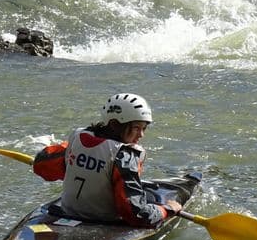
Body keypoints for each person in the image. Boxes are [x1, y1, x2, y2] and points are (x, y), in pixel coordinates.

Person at [33, 93, 182, 227]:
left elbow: (40, 166)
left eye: (144, 128)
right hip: (104, 222)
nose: (141, 135)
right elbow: (136, 214)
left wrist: (73, 165)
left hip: (66, 212)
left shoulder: (77, 138)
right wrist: (165, 210)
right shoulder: (124, 156)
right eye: (136, 128)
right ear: (115, 125)